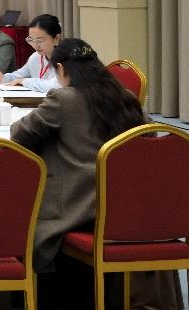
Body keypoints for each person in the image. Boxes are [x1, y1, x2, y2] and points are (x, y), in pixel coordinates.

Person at [11, 38, 147, 271]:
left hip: (75, 204)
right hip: (122, 204)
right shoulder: (127, 98)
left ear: (61, 68)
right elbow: (147, 137)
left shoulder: (63, 99)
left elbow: (19, 134)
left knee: (17, 207)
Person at [0, 14, 63, 94]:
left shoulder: (67, 58)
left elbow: (57, 86)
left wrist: (24, 81)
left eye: (39, 41)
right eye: (31, 40)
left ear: (56, 38)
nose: (35, 45)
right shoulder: (36, 57)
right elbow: (18, 76)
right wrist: (1, 78)